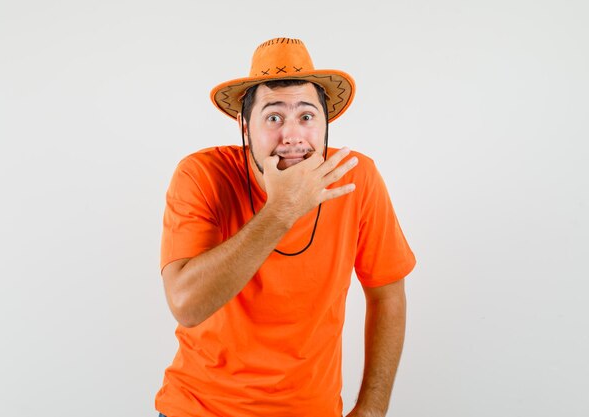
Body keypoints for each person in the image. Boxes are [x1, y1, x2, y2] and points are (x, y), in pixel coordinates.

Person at [155, 37, 416, 417]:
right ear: (246, 127)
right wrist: (281, 211)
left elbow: (388, 295)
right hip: (198, 408)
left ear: (326, 124)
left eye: (306, 116)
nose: (292, 136)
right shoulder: (201, 175)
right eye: (274, 117)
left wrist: (372, 408)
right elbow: (186, 304)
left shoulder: (359, 179)